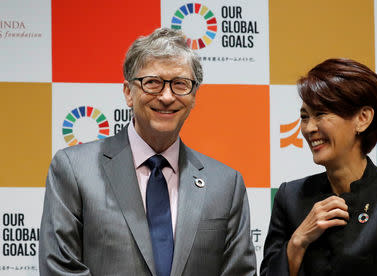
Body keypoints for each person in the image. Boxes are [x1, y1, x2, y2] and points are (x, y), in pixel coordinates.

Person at [39, 28, 256, 276]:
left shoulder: (226, 184)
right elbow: (60, 269)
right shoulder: (75, 169)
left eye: (179, 84)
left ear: (194, 96)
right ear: (128, 93)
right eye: (152, 82)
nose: (166, 96)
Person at [260, 58, 377, 276]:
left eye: (321, 114)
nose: (309, 128)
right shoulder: (290, 196)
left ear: (363, 119)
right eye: (305, 117)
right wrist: (299, 240)